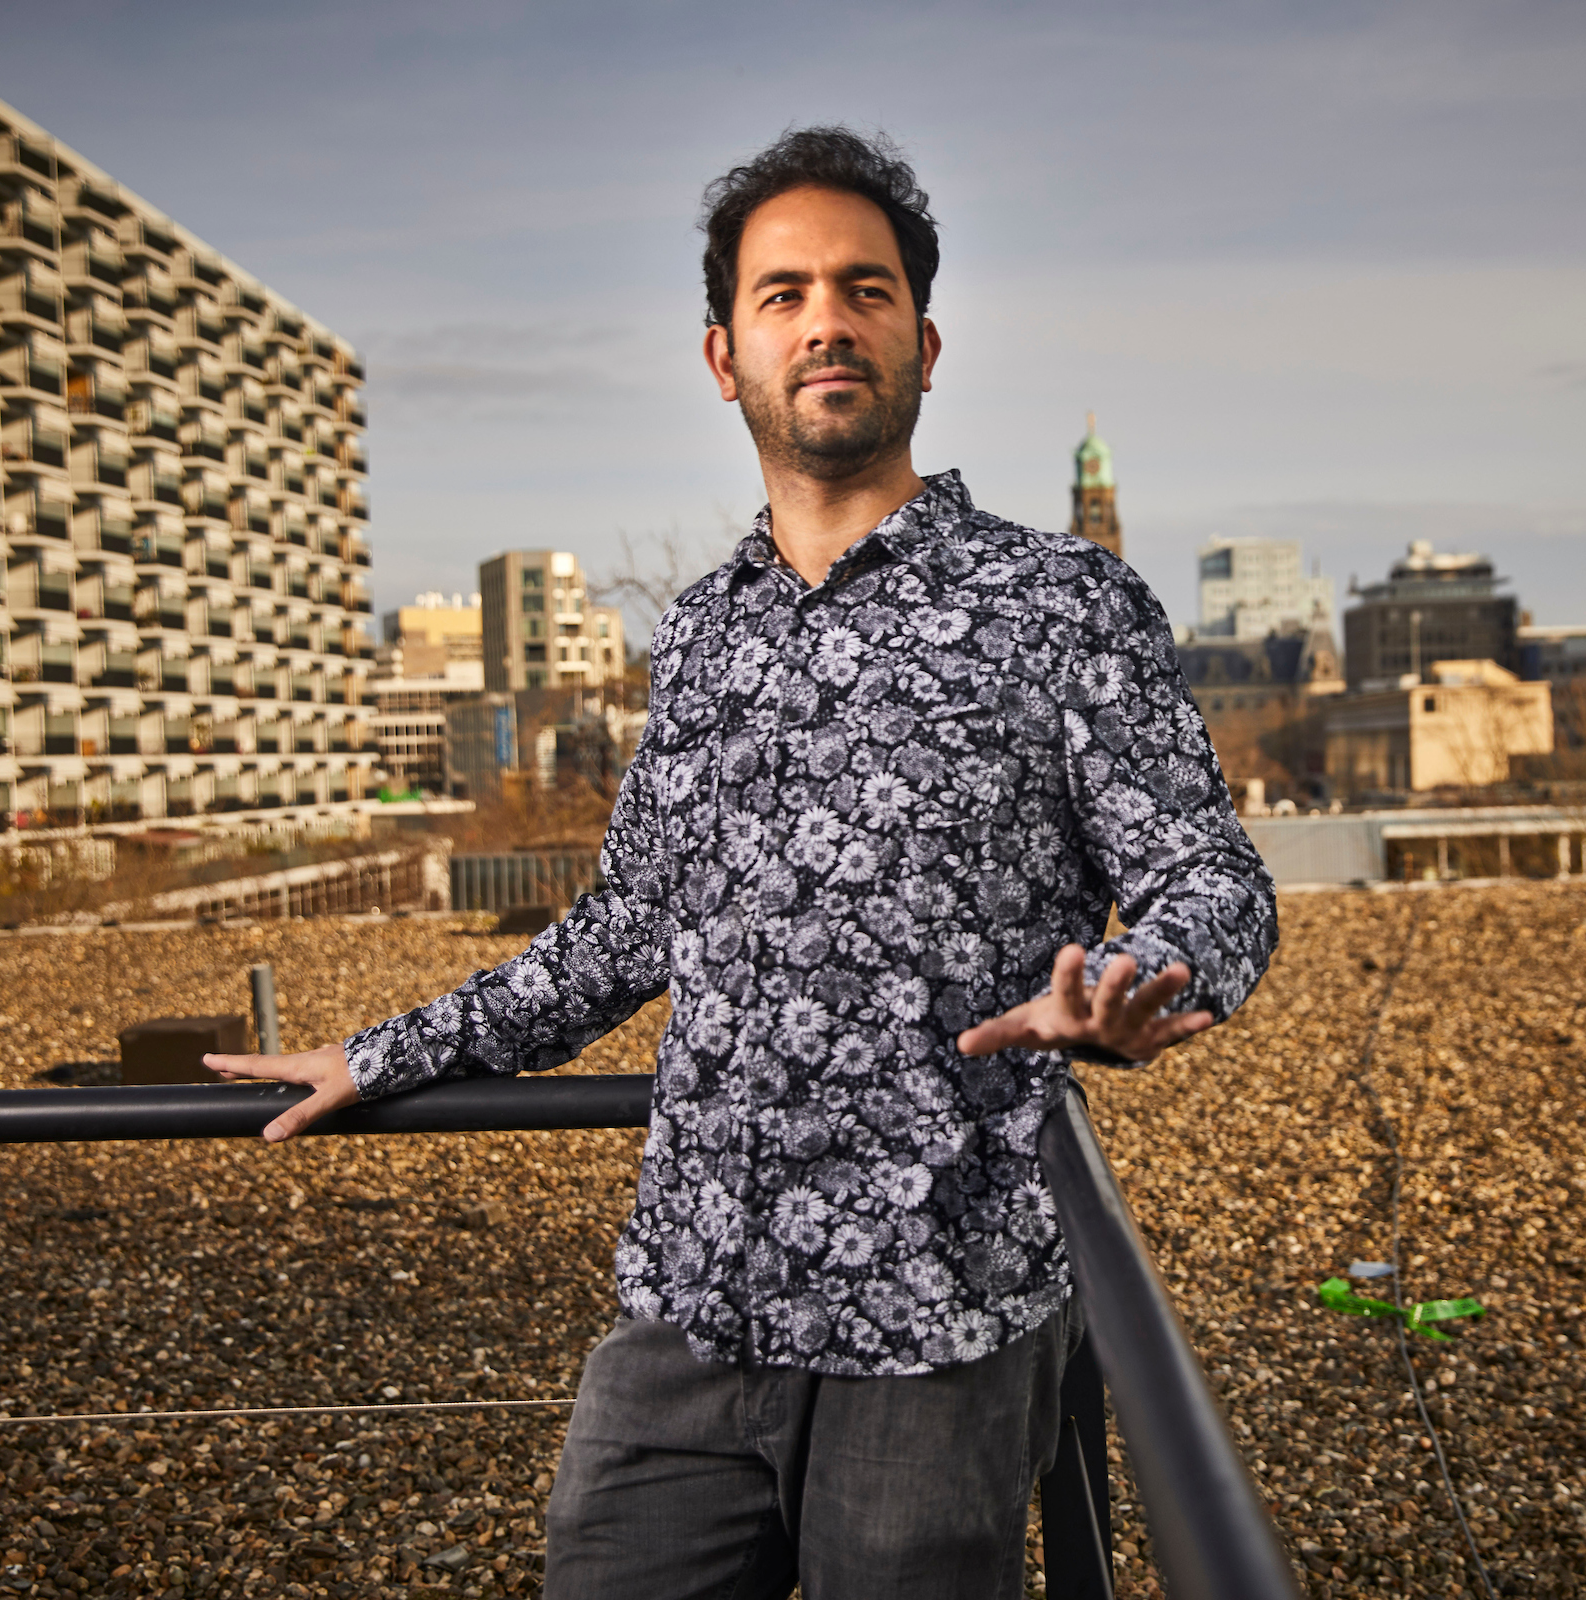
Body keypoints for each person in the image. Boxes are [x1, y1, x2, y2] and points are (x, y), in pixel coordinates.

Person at [207, 125, 1277, 1599]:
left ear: (924, 338)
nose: (825, 320)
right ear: (726, 355)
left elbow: (1213, 879)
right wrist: (382, 1056)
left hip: (942, 1320)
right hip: (692, 1314)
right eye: (783, 295)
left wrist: (1140, 979)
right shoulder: (706, 631)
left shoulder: (1064, 603)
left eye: (864, 288)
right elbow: (623, 935)